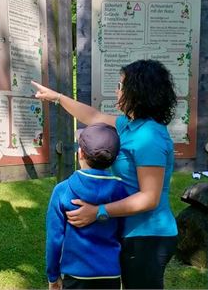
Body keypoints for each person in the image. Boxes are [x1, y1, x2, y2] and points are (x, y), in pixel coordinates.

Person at [33, 59, 178, 289]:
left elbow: (150, 197)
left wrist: (99, 212)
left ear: (137, 92)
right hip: (133, 233)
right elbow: (93, 116)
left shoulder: (149, 137)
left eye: (120, 86)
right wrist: (57, 97)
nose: (116, 91)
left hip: (148, 236)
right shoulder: (130, 125)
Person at [46, 123, 127, 290]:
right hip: (110, 274)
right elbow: (123, 233)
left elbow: (54, 239)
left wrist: (53, 276)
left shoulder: (62, 190)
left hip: (76, 275)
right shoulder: (121, 190)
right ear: (115, 158)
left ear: (80, 154)